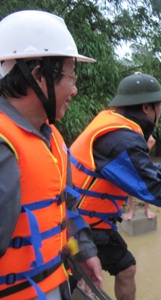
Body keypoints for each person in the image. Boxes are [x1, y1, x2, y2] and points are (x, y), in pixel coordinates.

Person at [69, 72, 161, 300]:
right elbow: (151, 188)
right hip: (79, 225)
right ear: (147, 108)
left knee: (126, 267)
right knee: (76, 280)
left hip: (91, 221)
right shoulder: (122, 139)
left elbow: (135, 167)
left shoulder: (115, 128)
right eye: (159, 106)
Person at [0, 10, 103, 300]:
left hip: (56, 284)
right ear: (38, 75)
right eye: (71, 75)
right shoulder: (4, 147)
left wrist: (82, 251)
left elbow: (64, 209)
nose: (75, 89)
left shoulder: (53, 139)